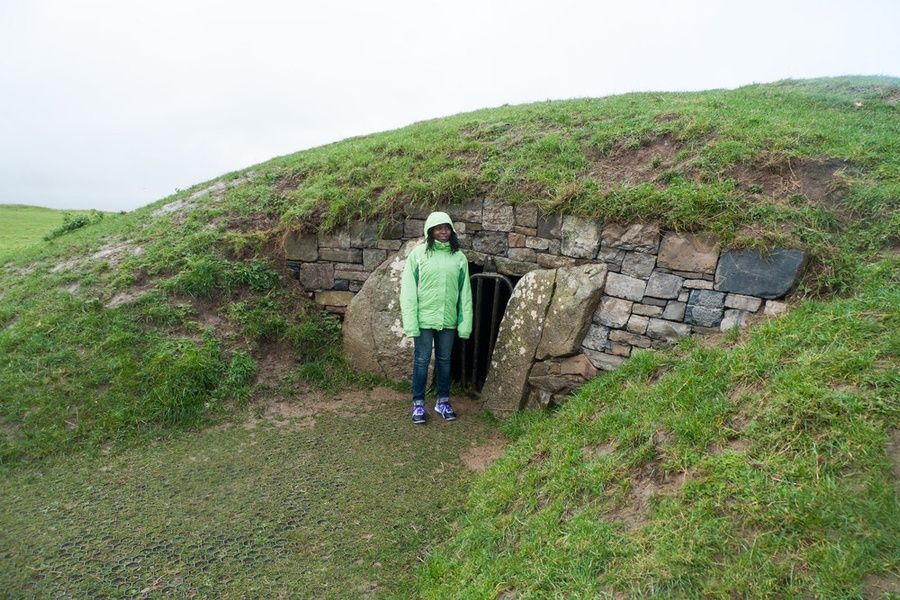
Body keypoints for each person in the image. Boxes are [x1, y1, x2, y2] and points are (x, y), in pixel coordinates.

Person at [400, 211, 473, 424]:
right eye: (438, 228)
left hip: (448, 320)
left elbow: (465, 293)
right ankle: (418, 404)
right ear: (430, 231)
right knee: (421, 361)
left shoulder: (459, 258)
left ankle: (442, 401)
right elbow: (408, 290)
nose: (443, 231)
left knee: (445, 361)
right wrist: (411, 323)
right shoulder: (418, 255)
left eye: (447, 227)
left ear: (451, 230)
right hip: (423, 320)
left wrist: (464, 323)